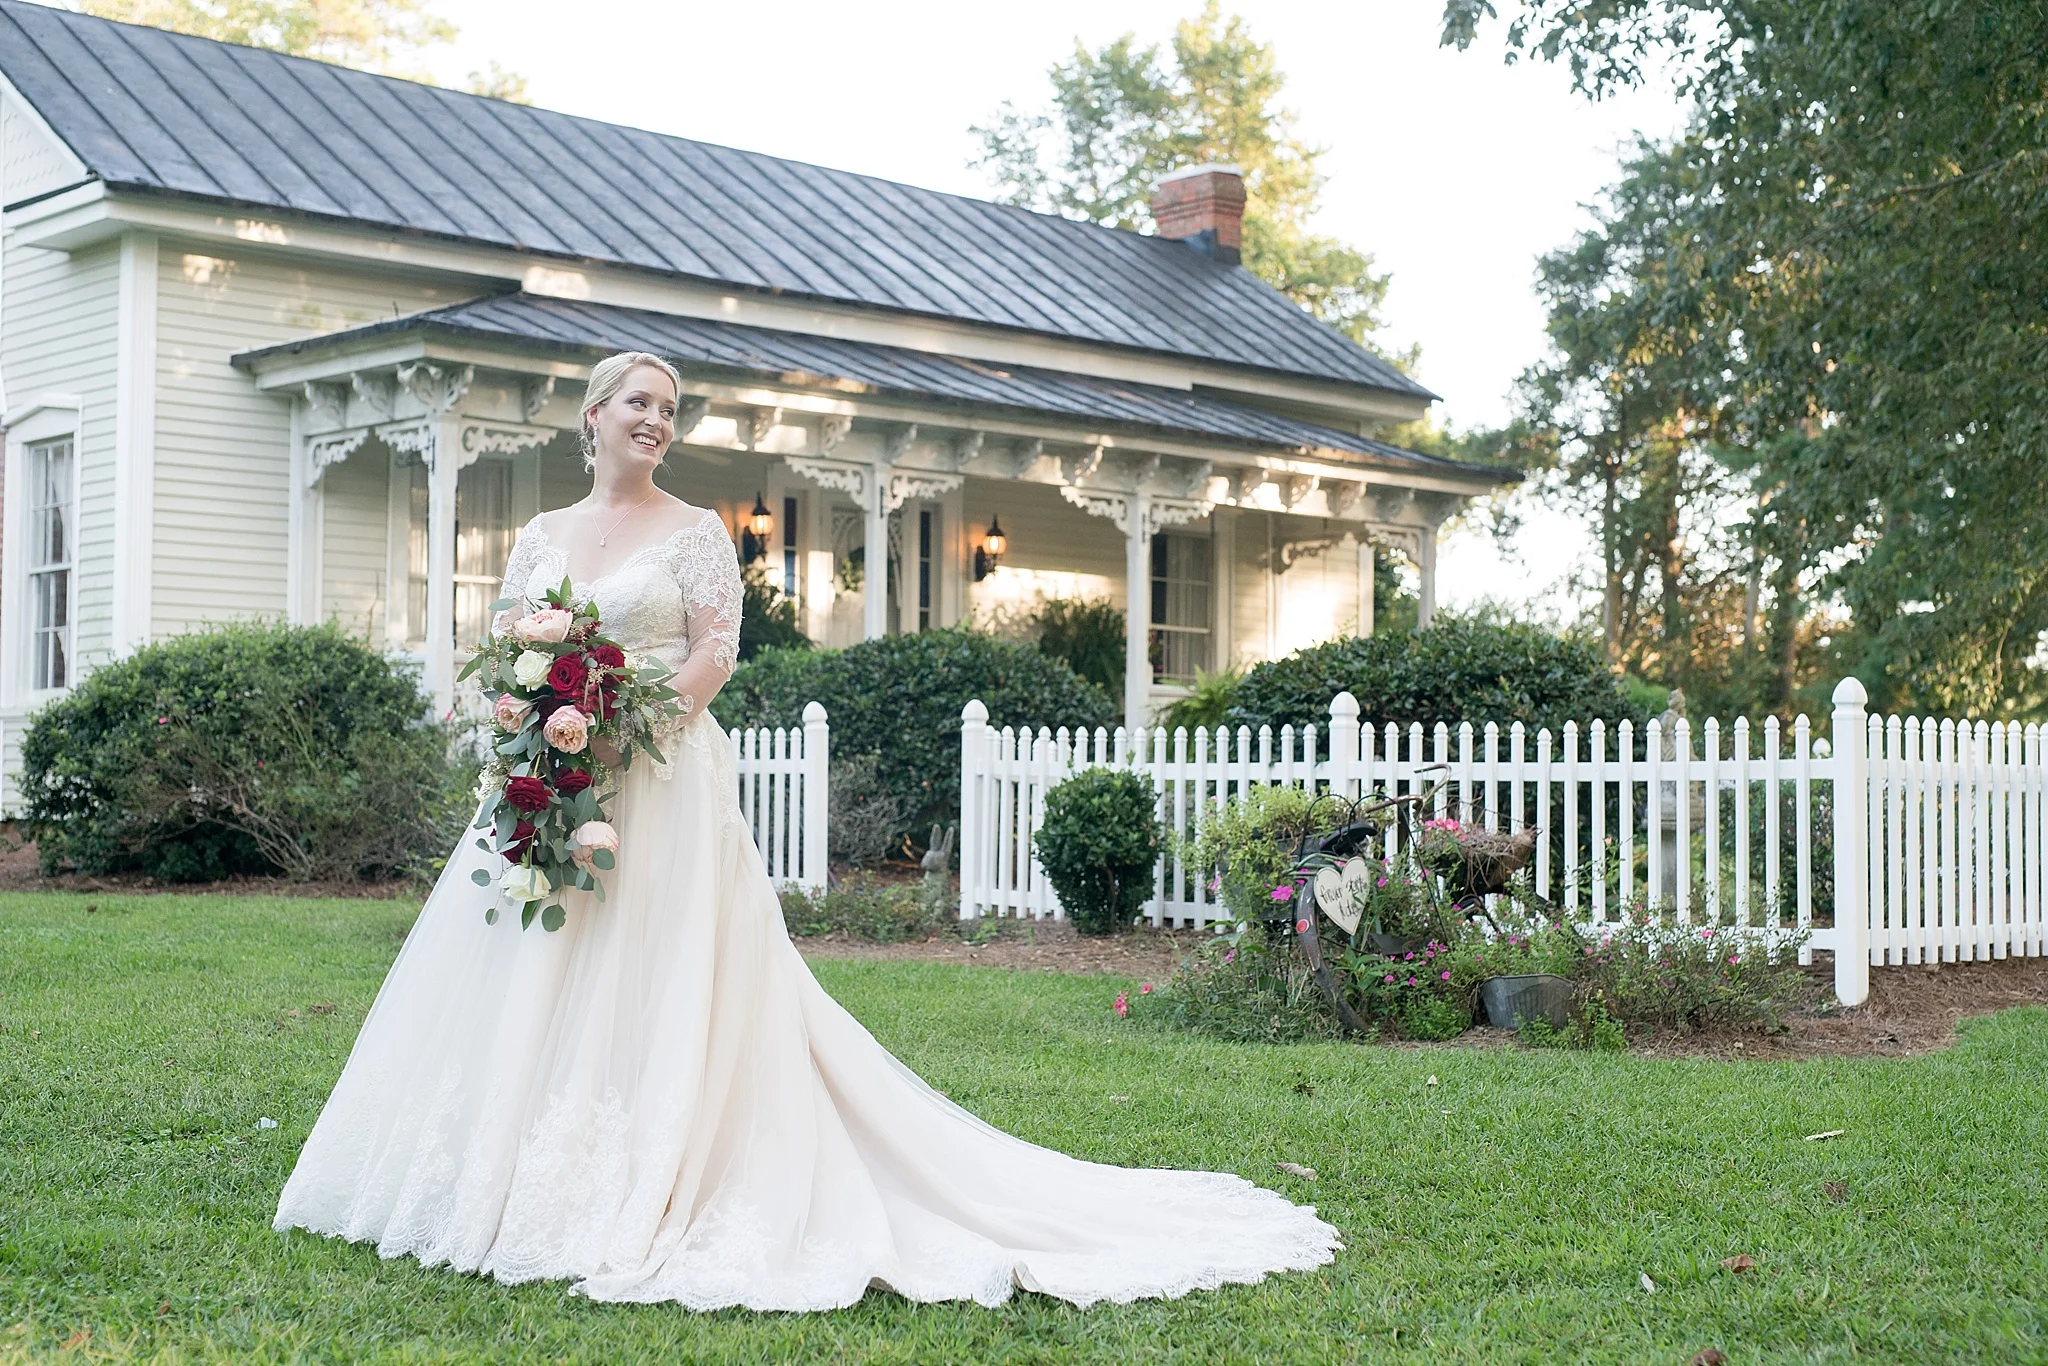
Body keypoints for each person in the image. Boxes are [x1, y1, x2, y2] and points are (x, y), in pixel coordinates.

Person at [274, 351, 1340, 1311]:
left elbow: (713, 651)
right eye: (638, 402)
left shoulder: (695, 532)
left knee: (659, 958)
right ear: (592, 416)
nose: (655, 420)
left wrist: (629, 725)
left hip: (660, 770)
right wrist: (537, 719)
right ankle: (514, 1167)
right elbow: (511, 638)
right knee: (541, 954)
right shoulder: (542, 534)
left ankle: (665, 1158)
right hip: (550, 773)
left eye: (670, 408)